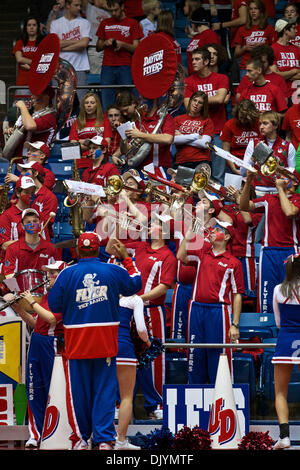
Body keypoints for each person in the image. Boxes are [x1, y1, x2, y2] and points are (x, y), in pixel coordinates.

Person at [47, 232, 142, 450]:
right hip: (105, 342)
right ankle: (104, 440)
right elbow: (135, 284)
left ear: (78, 250)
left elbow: (54, 306)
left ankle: (83, 437)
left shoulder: (66, 274)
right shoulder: (113, 270)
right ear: (99, 249)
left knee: (80, 393)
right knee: (104, 391)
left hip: (77, 343)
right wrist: (127, 258)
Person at [4, 260, 67, 449]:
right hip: (37, 343)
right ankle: (35, 433)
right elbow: (35, 322)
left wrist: (30, 300)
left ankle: (53, 433)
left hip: (52, 344)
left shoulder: (64, 296)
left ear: (63, 276)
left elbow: (50, 319)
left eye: (54, 274)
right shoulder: (47, 295)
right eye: (48, 273)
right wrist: (17, 307)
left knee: (51, 390)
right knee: (34, 390)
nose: (49, 277)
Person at [177, 219, 244, 384]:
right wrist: (188, 236)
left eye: (218, 230)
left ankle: (221, 396)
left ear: (227, 237)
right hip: (196, 309)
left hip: (218, 312)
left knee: (219, 355)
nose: (212, 232)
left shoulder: (233, 263)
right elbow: (180, 256)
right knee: (195, 353)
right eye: (213, 230)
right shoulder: (202, 253)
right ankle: (194, 393)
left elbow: (237, 294)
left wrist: (234, 324)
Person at [239, 169, 300, 314]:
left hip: (291, 251)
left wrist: (280, 189)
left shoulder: (297, 199)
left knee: (291, 292)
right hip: (268, 251)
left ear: (295, 182)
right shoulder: (269, 199)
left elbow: (289, 212)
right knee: (266, 292)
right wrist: (248, 182)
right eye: (280, 175)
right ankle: (266, 328)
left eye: (285, 176)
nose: (280, 177)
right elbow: (244, 207)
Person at [184, 47, 230, 185]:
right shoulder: (189, 81)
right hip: (196, 133)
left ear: (206, 61)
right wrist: (211, 99)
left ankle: (217, 202)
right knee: (195, 174)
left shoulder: (221, 78)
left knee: (217, 175)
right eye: (192, 59)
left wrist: (197, 100)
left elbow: (220, 99)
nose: (193, 62)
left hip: (217, 131)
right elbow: (188, 106)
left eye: (197, 59)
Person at [272, 253, 300, 450]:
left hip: (285, 340)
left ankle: (284, 437)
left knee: (281, 391)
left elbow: (278, 322)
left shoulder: (277, 290)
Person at [115, 294, 150, 450]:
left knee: (102, 395)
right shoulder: (134, 299)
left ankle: (100, 439)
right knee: (127, 397)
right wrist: (148, 342)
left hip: (103, 348)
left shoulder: (103, 295)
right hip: (123, 348)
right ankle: (120, 441)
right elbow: (141, 329)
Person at [96, 0, 143, 111]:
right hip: (107, 65)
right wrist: (105, 43)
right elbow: (98, 47)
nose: (113, 13)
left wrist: (123, 44)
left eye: (116, 10)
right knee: (107, 98)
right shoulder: (104, 23)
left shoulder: (133, 23)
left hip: (125, 66)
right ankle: (108, 123)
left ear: (122, 6)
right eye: (111, 11)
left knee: (127, 98)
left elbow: (137, 48)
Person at [241, 111, 296, 193]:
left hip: (279, 192)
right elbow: (243, 172)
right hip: (257, 190)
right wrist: (254, 157)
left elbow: (292, 174)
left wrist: (278, 169)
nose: (261, 127)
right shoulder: (253, 143)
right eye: (260, 124)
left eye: (265, 123)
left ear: (275, 126)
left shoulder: (288, 146)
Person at [50, 0, 92, 103]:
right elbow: (54, 44)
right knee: (59, 101)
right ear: (68, 5)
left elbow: (84, 44)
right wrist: (76, 41)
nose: (79, 8)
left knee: (81, 100)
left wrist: (62, 46)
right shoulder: (55, 24)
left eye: (80, 6)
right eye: (76, 5)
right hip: (60, 68)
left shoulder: (84, 22)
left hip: (80, 67)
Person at [3, 208, 59, 277]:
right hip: (20, 287)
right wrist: (17, 288)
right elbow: (8, 275)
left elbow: (57, 273)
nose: (32, 224)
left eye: (35, 221)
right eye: (28, 222)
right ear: (22, 226)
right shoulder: (12, 249)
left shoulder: (51, 248)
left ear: (40, 223)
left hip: (45, 287)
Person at [0, 175, 37, 272]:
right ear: (18, 193)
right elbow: (4, 245)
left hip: (31, 264)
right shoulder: (7, 216)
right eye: (27, 192)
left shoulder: (35, 214)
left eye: (32, 192)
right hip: (12, 267)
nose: (30, 195)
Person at [233, 0, 276, 79]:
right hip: (247, 67)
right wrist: (245, 48)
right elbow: (236, 54)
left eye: (256, 9)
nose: (253, 11)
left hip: (264, 67)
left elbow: (275, 50)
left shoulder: (269, 29)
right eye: (250, 9)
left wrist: (263, 47)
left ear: (261, 11)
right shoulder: (242, 29)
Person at [69, 92, 112, 171]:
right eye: (86, 103)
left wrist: (82, 141)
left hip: (101, 164)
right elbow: (73, 147)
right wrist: (96, 145)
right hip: (82, 164)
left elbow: (106, 144)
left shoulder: (105, 121)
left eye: (92, 103)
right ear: (83, 106)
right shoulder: (77, 123)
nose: (89, 105)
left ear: (97, 105)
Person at [173, 91, 214, 170]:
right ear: (190, 101)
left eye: (200, 102)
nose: (196, 104)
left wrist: (182, 137)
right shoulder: (177, 119)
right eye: (194, 100)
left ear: (203, 106)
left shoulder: (207, 121)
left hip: (202, 161)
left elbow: (205, 144)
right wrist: (196, 136)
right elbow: (174, 140)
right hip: (182, 160)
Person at [12, 86, 57, 157]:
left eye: (35, 94)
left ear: (46, 98)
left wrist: (23, 107)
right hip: (19, 160)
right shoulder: (30, 115)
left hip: (36, 162)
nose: (32, 97)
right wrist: (12, 131)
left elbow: (30, 126)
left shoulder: (50, 117)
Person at [220, 99, 260, 175]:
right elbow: (226, 151)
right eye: (241, 117)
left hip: (254, 165)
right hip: (234, 165)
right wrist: (234, 169)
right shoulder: (230, 124)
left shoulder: (258, 124)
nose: (243, 121)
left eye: (246, 119)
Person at [12, 16, 45, 96]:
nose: (31, 27)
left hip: (39, 81)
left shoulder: (43, 42)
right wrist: (35, 63)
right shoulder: (20, 42)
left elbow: (44, 61)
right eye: (29, 25)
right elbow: (19, 59)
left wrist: (30, 66)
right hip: (23, 82)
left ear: (38, 27)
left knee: (39, 107)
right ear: (25, 28)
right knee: (23, 107)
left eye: (34, 25)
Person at [271, 17, 300, 103]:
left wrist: (284, 75)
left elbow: (279, 74)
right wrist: (294, 71)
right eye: (293, 28)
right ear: (285, 30)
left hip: (297, 94)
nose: (296, 31)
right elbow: (275, 76)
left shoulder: (297, 49)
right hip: (282, 94)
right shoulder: (272, 49)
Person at [186, 7, 221, 76]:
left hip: (203, 78)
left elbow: (214, 61)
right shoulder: (197, 36)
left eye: (192, 23)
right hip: (193, 78)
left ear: (195, 23)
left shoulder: (211, 36)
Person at [83, 0, 111, 75]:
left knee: (109, 76)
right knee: (95, 76)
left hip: (110, 47)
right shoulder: (89, 7)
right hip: (94, 47)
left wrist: (105, 5)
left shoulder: (112, 10)